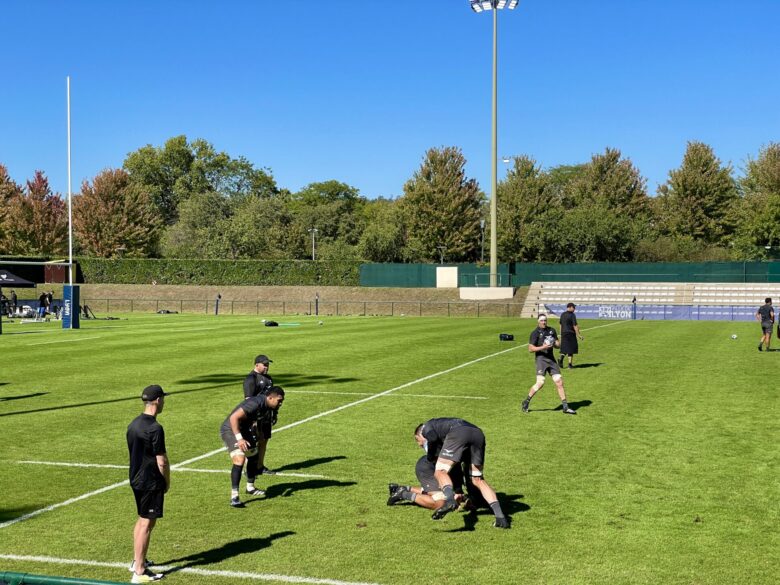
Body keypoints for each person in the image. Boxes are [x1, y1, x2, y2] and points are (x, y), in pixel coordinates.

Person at [413, 418, 509, 528]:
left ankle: (450, 500)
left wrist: (430, 457)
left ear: (419, 435)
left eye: (419, 442)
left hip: (459, 433)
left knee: (440, 471)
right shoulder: (442, 426)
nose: (420, 445)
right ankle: (501, 518)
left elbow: (432, 438)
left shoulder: (426, 427)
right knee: (478, 479)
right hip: (478, 433)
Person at [126, 385, 170, 583]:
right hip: (150, 481)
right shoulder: (155, 428)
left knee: (143, 519)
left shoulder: (134, 424)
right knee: (146, 523)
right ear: (158, 400)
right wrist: (166, 481)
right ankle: (140, 571)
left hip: (136, 478)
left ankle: (137, 561)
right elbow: (162, 460)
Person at [220, 386, 285, 508]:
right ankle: (234, 496)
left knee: (253, 456)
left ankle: (250, 488)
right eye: (279, 400)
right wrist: (239, 439)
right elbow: (234, 418)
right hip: (231, 429)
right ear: (270, 397)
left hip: (244, 429)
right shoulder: (255, 403)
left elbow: (256, 419)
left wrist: (258, 433)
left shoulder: (268, 406)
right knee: (240, 459)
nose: (280, 403)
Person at [522, 314, 576, 415]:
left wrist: (554, 343)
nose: (544, 322)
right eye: (542, 320)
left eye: (545, 320)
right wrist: (543, 347)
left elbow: (558, 344)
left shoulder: (551, 330)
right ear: (538, 322)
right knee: (540, 383)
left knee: (559, 381)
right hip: (541, 359)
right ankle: (526, 401)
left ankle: (565, 406)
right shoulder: (535, 333)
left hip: (551, 359)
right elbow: (530, 349)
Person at [387, 455, 472, 511]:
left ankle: (403, 488)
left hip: (436, 465)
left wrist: (458, 495)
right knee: (440, 503)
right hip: (427, 467)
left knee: (446, 493)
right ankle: (403, 494)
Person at [243, 355, 277, 475]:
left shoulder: (268, 378)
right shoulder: (251, 379)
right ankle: (249, 470)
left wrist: (274, 413)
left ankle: (260, 466)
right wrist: (253, 420)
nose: (267, 367)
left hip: (266, 416)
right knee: (252, 443)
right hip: (255, 418)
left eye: (268, 364)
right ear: (257, 365)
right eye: (265, 364)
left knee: (264, 440)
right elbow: (248, 401)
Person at [558, 303, 583, 369]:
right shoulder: (572, 315)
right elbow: (575, 325)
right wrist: (578, 335)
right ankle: (570, 365)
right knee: (571, 349)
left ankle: (561, 359)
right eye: (574, 307)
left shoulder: (562, 314)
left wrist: (560, 334)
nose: (574, 309)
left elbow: (560, 325)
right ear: (570, 307)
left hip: (564, 333)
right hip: (570, 333)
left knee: (565, 348)